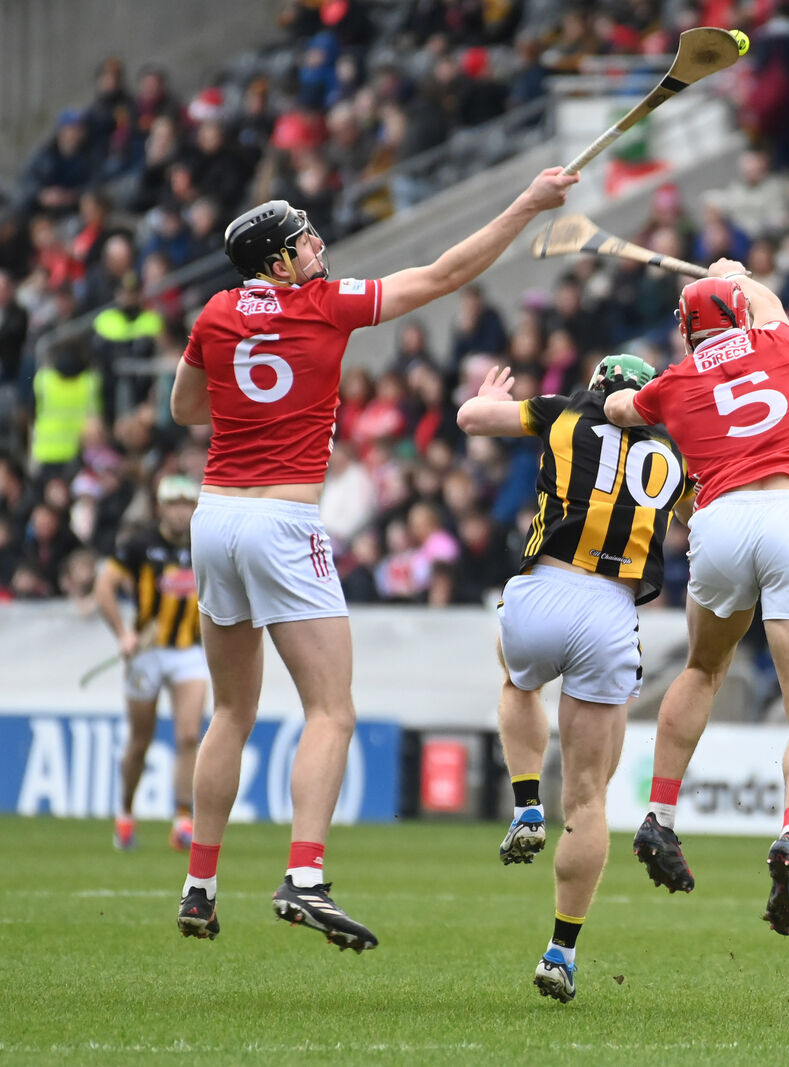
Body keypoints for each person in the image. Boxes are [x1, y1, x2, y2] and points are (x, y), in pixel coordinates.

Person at [170, 168, 576, 950]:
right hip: (284, 521)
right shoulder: (326, 303)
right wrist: (525, 205)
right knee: (331, 709)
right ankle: (306, 877)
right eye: (303, 240)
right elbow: (447, 273)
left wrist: (250, 399)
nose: (317, 246)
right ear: (277, 261)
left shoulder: (216, 312)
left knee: (231, 711)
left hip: (214, 514)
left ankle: (199, 884)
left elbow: (186, 408)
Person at [605, 262, 789, 937]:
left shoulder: (674, 384)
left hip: (721, 519)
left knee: (704, 669)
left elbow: (622, 406)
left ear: (684, 332)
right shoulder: (778, 343)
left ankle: (660, 814)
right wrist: (735, 273)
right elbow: (770, 303)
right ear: (742, 311)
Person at [456, 355, 692, 1003]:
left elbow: (472, 418)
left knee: (518, 683)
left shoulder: (566, 409)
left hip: (542, 587)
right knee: (589, 799)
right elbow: (706, 522)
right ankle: (560, 951)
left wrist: (482, 395)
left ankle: (526, 799)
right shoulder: (674, 454)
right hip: (612, 612)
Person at [93, 474, 207, 852]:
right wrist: (123, 633)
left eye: (186, 504)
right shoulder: (141, 544)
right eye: (174, 504)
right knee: (140, 741)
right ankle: (125, 812)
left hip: (190, 650)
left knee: (188, 736)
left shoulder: (205, 544)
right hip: (148, 653)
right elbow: (103, 586)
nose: (180, 512)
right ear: (161, 507)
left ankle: (182, 818)